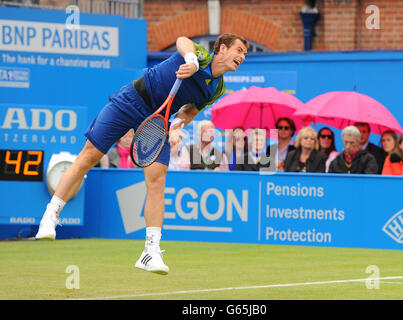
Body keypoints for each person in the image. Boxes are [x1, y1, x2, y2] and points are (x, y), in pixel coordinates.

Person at [35, 33, 250, 275]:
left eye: (244, 53)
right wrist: (190, 60)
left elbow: (190, 111)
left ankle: (150, 251)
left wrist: (177, 127)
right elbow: (181, 39)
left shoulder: (217, 88)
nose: (242, 56)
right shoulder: (199, 55)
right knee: (89, 156)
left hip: (159, 121)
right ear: (221, 48)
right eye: (239, 50)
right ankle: (50, 215)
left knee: (157, 180)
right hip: (131, 101)